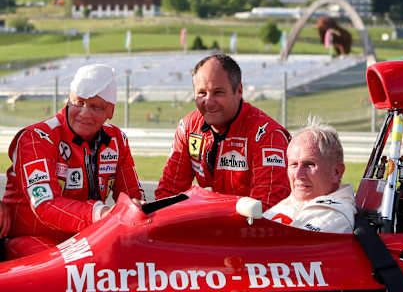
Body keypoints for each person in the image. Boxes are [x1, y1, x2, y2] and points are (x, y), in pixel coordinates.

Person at [1, 64, 144, 259]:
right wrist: (102, 214)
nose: (84, 113)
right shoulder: (36, 138)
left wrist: (139, 210)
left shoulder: (117, 139)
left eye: (95, 107)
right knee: (72, 273)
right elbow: (45, 205)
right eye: (79, 103)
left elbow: (132, 197)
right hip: (31, 238)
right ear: (68, 100)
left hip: (88, 239)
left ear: (110, 111)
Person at [155, 54, 291, 210]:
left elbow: (267, 210)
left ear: (239, 90)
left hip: (252, 229)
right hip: (215, 225)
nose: (209, 102)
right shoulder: (188, 127)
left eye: (218, 92)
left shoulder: (268, 136)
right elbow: (168, 194)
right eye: (201, 93)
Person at [263, 118, 356, 233]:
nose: (298, 174)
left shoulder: (334, 215)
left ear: (336, 172)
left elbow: (288, 249)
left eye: (309, 165)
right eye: (293, 164)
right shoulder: (290, 203)